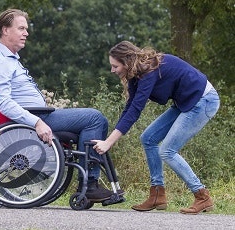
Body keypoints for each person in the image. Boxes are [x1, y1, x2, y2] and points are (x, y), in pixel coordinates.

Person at [0, 8, 114, 202]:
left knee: (92, 122)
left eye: (26, 28)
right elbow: (3, 103)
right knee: (94, 118)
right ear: (5, 30)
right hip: (34, 119)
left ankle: (89, 183)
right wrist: (36, 123)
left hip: (40, 115)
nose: (26, 33)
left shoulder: (9, 60)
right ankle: (90, 184)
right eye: (21, 28)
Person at [92, 41, 220, 214]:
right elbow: (129, 108)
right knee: (148, 138)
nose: (112, 70)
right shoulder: (136, 75)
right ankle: (157, 194)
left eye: (115, 66)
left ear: (127, 62)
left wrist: (109, 143)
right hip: (185, 102)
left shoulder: (148, 72)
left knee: (167, 151)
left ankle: (202, 196)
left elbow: (136, 110)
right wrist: (109, 140)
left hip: (203, 101)